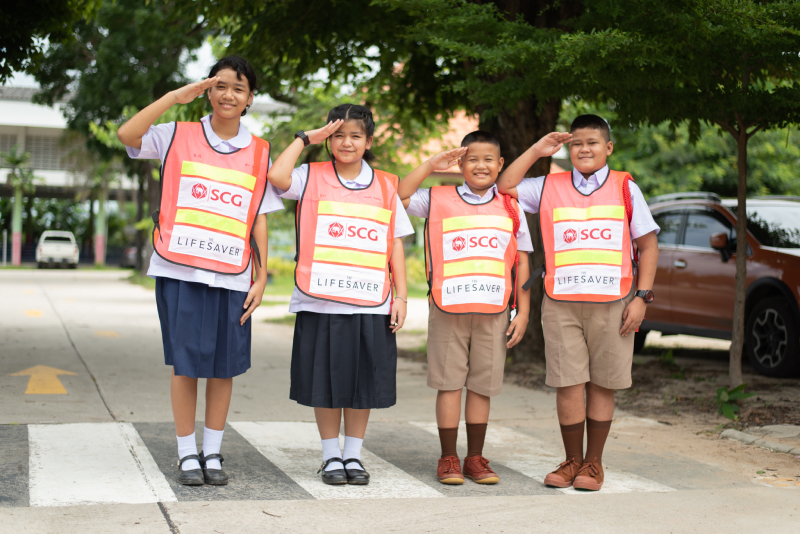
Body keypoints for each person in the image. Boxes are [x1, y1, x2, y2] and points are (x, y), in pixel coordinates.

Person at [117, 56, 283, 486]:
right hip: (181, 271)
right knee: (186, 365)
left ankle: (213, 451)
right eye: (220, 85)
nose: (228, 95)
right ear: (208, 91)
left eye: (238, 88)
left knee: (224, 367)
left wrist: (262, 276)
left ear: (250, 98)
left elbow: (259, 218)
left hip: (233, 273)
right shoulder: (176, 134)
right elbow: (127, 134)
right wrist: (175, 97)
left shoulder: (261, 151)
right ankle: (186, 453)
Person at [496, 115, 659, 491]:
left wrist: (642, 299)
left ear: (608, 148)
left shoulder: (625, 187)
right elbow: (504, 185)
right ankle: (571, 461)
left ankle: (593, 464)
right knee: (568, 384)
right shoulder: (548, 185)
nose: (584, 149)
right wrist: (538, 150)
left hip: (614, 303)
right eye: (577, 143)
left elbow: (648, 246)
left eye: (592, 142)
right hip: (561, 302)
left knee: (602, 385)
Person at [267, 104, 412, 486]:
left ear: (368, 141)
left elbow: (395, 242)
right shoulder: (309, 175)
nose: (347, 142)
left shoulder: (386, 185)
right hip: (320, 299)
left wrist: (401, 296)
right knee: (325, 380)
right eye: (338, 135)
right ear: (328, 140)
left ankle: (353, 456)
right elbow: (276, 176)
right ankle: (331, 456)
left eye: (355, 135)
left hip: (371, 299)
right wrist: (304, 139)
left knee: (364, 380)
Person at [398, 130, 537, 485]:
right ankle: (448, 457)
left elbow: (521, 261)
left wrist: (523, 312)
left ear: (500, 164)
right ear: (460, 164)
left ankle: (475, 458)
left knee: (482, 386)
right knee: (449, 384)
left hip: (494, 310)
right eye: (472, 159)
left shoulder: (511, 206)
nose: (480, 166)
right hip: (448, 308)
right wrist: (432, 164)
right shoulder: (437, 198)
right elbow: (400, 194)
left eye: (488, 159)